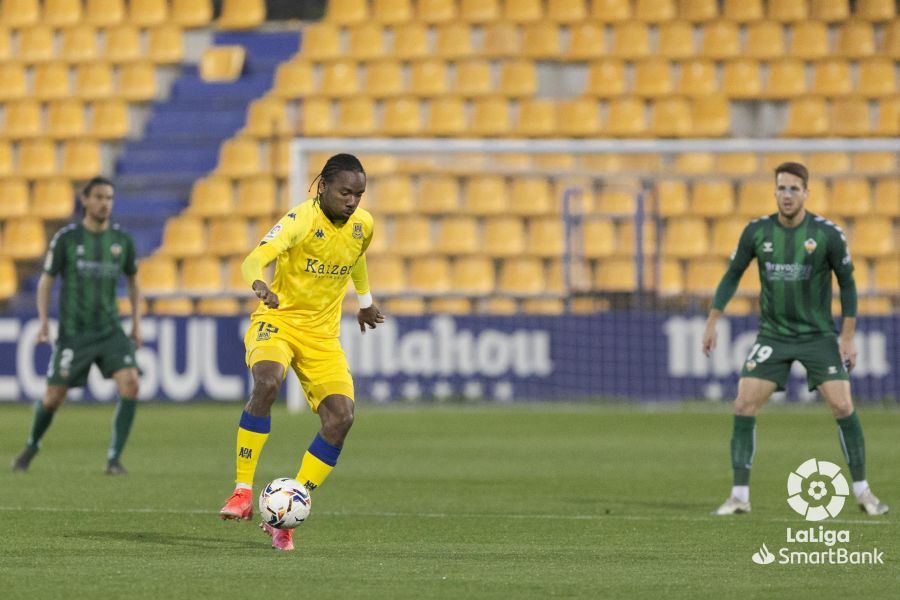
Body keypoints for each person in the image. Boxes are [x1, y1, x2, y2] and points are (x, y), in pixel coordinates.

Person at [219, 153, 385, 551]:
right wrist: (259, 283)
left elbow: (355, 257)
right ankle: (243, 490)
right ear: (323, 187)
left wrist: (364, 301)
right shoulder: (300, 220)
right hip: (278, 321)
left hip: (322, 337)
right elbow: (254, 259)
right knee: (267, 381)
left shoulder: (364, 226)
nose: (352, 202)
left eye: (359, 194)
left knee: (341, 417)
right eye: (345, 192)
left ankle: (290, 508)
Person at [703, 162, 888, 517]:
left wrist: (847, 337)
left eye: (794, 189)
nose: (787, 195)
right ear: (774, 192)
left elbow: (848, 284)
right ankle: (739, 496)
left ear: (806, 193)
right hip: (773, 335)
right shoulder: (757, 232)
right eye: (781, 188)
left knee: (843, 406)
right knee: (742, 404)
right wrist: (713, 321)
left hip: (818, 335)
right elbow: (732, 275)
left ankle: (864, 492)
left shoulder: (827, 234)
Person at [11, 176, 142, 475]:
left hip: (110, 330)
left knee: (131, 383)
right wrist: (44, 322)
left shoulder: (122, 241)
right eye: (98, 197)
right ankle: (32, 445)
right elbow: (46, 281)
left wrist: (136, 324)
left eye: (109, 198)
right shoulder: (67, 239)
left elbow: (134, 282)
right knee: (54, 396)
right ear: (84, 200)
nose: (104, 203)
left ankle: (114, 459)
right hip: (74, 334)